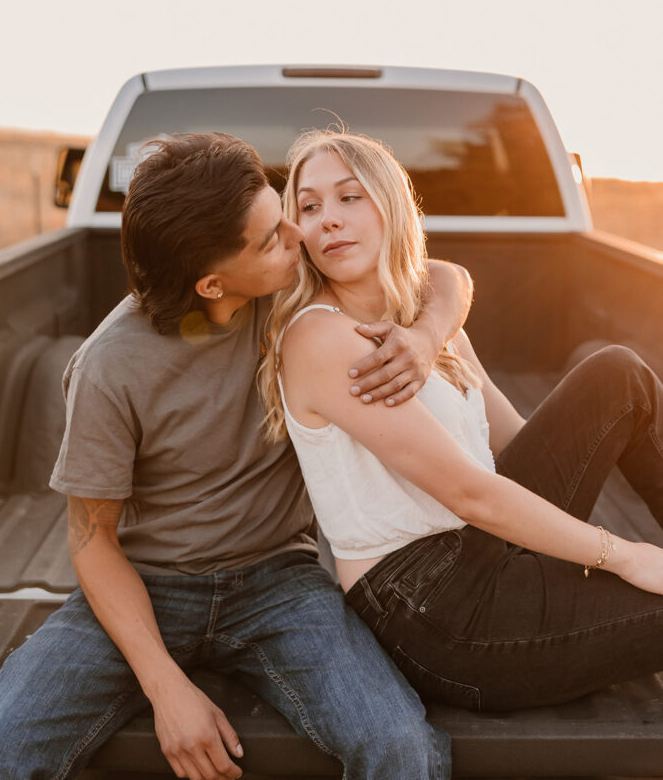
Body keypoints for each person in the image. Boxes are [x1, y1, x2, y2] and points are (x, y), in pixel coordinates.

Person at [0, 132, 472, 780]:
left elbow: (444, 275)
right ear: (213, 282)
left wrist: (422, 335)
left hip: (279, 582)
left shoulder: (294, 289)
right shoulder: (108, 366)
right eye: (271, 237)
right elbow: (90, 539)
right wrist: (165, 688)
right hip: (145, 588)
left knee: (400, 745)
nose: (300, 233)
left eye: (282, 213)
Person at [262, 128, 663, 713]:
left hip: (484, 550)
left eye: (350, 198)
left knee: (618, 375)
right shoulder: (320, 336)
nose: (328, 219)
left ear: (391, 205)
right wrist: (623, 554)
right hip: (433, 610)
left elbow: (517, 444)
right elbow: (470, 492)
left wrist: (434, 328)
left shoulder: (426, 323)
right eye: (309, 206)